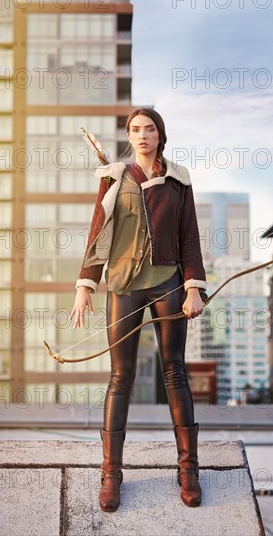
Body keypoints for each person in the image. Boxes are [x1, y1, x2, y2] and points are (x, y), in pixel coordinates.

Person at [70, 107, 207, 512]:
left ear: (160, 135)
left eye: (149, 129)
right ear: (129, 137)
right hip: (123, 286)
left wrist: (193, 287)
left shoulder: (178, 180)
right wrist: (85, 284)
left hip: (168, 284)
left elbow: (189, 236)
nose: (142, 135)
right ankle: (111, 475)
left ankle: (188, 471)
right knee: (120, 376)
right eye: (135, 130)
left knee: (174, 371)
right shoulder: (114, 178)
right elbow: (98, 231)